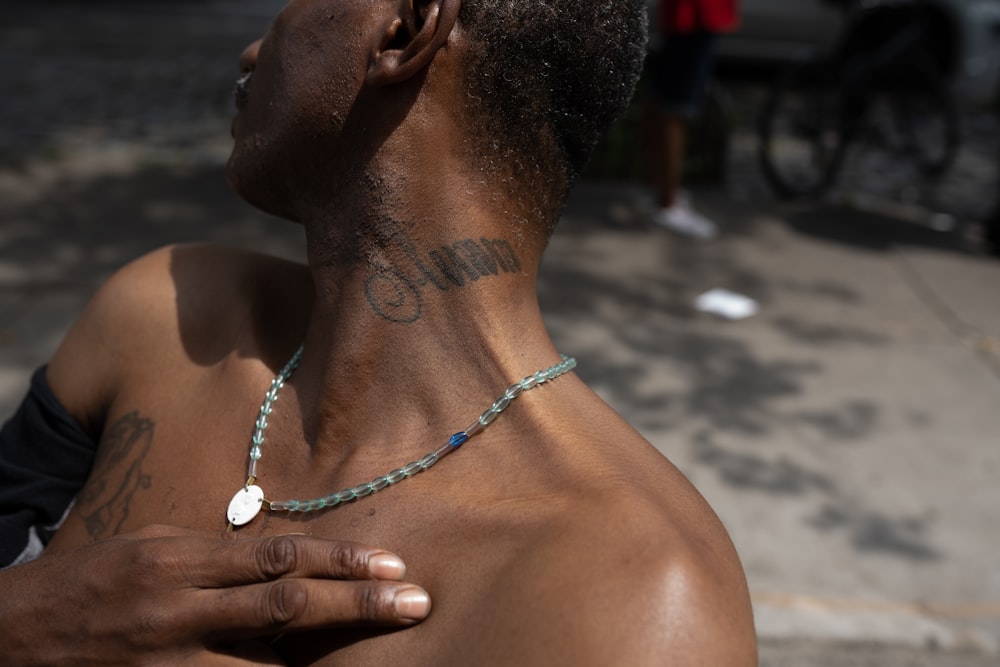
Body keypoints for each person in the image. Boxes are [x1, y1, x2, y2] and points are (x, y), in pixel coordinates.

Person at [0, 0, 758, 664]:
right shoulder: (163, 315)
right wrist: (25, 621)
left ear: (408, 26)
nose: (252, 48)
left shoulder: (638, 596)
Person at [645, 0, 740, 239]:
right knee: (675, 108)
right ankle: (667, 203)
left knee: (665, 103)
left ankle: (662, 193)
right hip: (697, 13)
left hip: (689, 13)